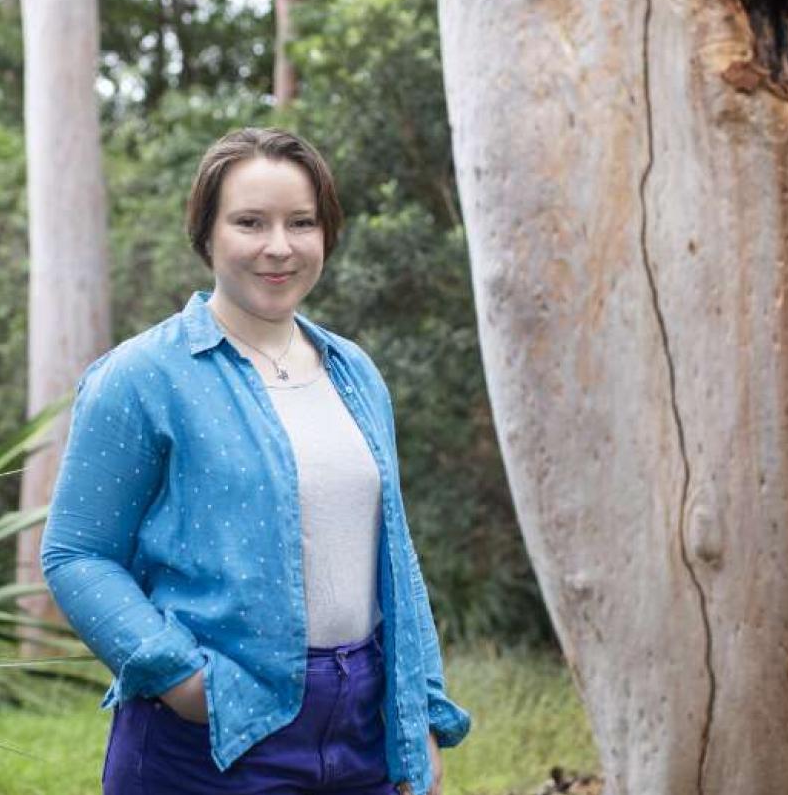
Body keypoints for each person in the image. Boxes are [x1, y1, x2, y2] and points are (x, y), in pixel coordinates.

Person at [40, 127, 470, 795]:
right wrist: (184, 683)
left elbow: (392, 555)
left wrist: (418, 715)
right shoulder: (141, 377)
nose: (279, 246)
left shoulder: (354, 371)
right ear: (206, 234)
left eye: (302, 222)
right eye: (249, 222)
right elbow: (76, 555)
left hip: (363, 729)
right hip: (207, 743)